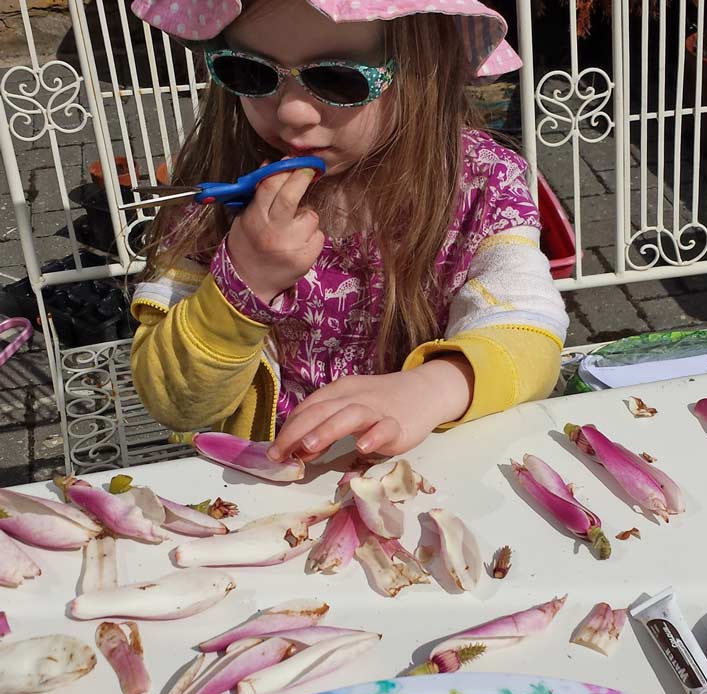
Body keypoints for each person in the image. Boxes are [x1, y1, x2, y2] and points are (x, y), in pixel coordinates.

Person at [129, 0, 569, 464]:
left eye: (337, 79)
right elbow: (173, 403)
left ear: (425, 70)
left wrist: (430, 388)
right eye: (250, 72)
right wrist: (244, 282)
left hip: (428, 464)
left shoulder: (480, 181)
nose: (293, 113)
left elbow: (531, 332)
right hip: (268, 473)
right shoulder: (220, 191)